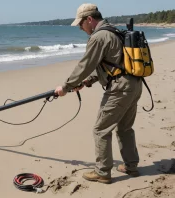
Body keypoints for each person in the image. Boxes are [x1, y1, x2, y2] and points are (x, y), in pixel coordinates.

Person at [54, 3, 143, 184]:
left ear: (89, 19)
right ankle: (131, 166)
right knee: (125, 128)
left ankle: (102, 172)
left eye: (81, 24)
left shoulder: (99, 36)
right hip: (134, 84)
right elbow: (111, 64)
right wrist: (87, 81)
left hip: (120, 89)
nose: (80, 27)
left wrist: (66, 86)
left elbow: (85, 65)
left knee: (100, 129)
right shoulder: (113, 31)